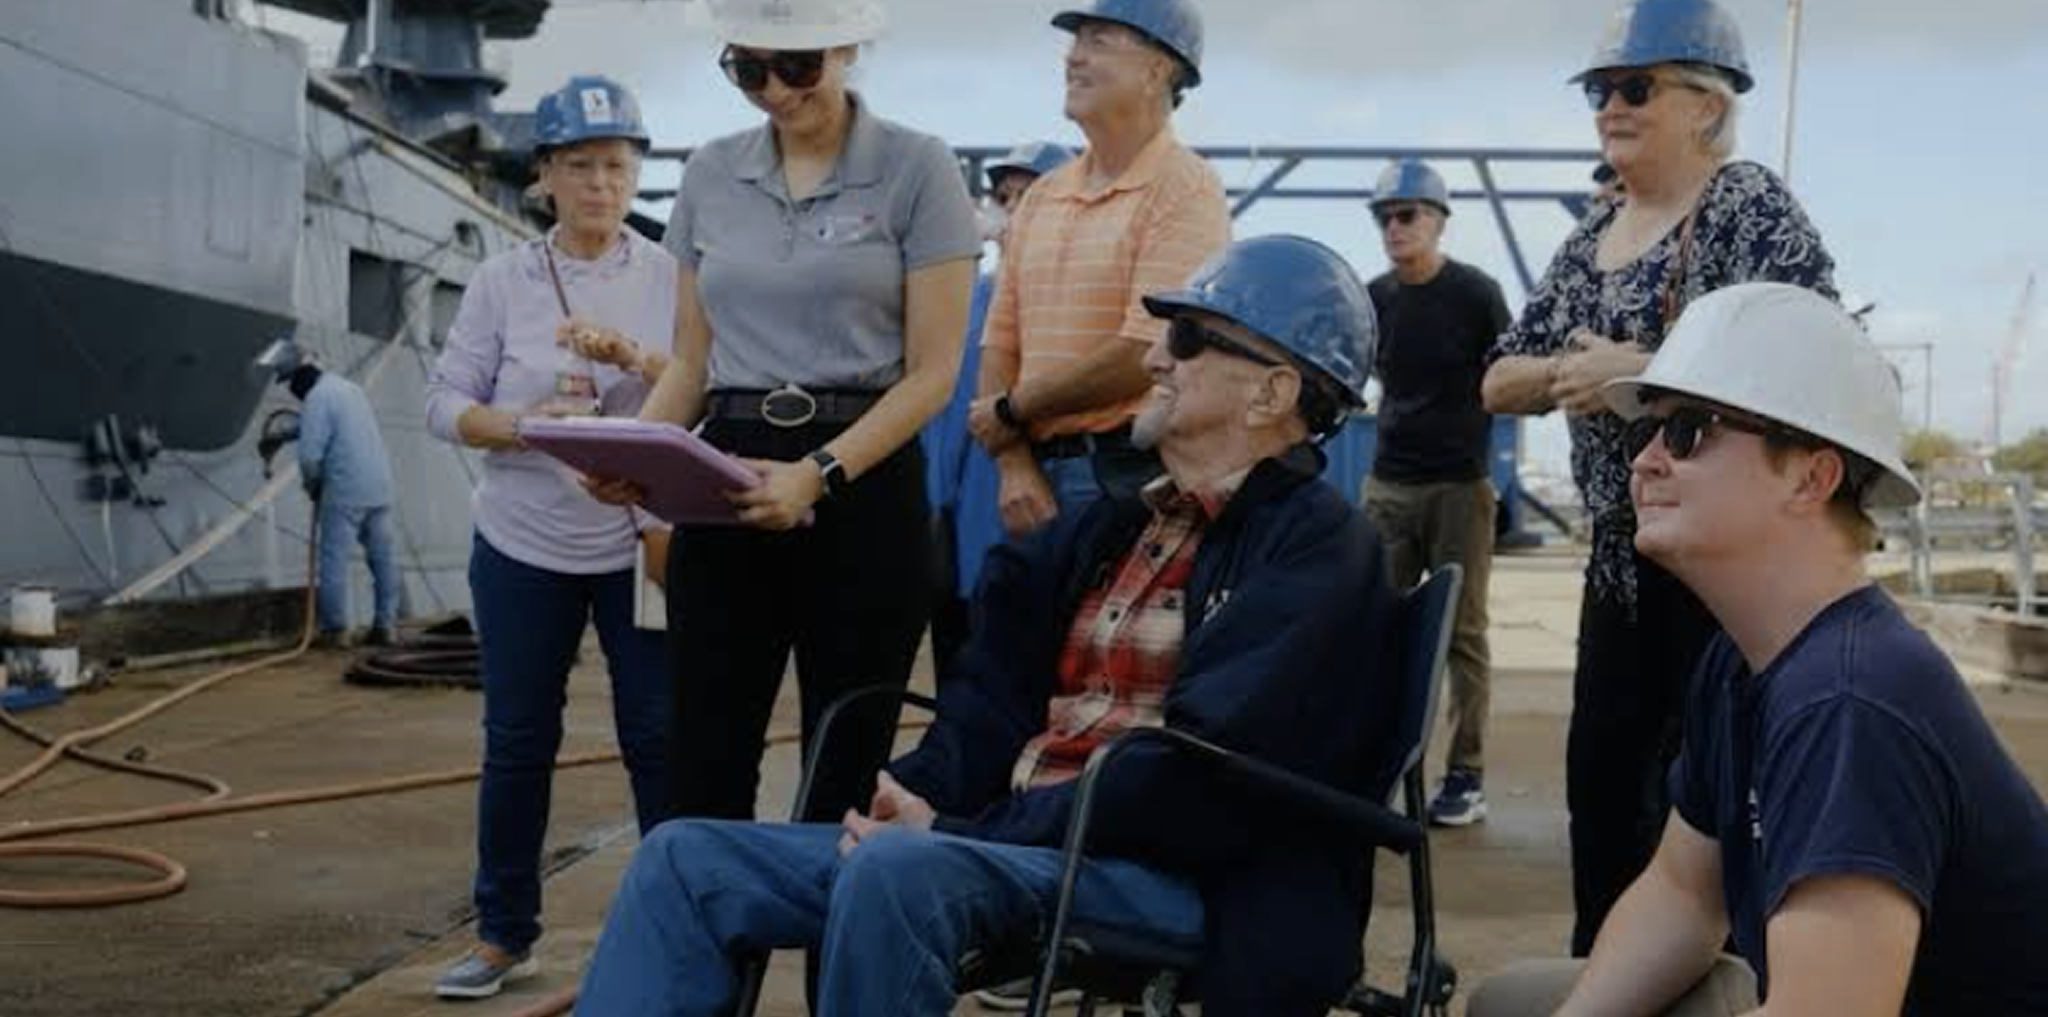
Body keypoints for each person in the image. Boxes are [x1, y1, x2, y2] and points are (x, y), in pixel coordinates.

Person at [575, 235, 1397, 1017]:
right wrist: (918, 792)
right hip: (1012, 845)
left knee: (898, 870)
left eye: (1185, 338)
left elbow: (1194, 786)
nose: (1153, 357)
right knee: (681, 858)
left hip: (1176, 873)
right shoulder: (1111, 530)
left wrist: (960, 831)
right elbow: (991, 694)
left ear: (1273, 392)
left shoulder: (1320, 551)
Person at [1469, 282, 2048, 1016]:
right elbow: (1682, 896)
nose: (1645, 460)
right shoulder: (1740, 659)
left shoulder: (1850, 701)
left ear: (1811, 476)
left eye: (1688, 431)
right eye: (1640, 434)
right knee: (1512, 1002)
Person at [1479, 0, 1838, 954]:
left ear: (1708, 110)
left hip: (1727, 581)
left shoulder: (1745, 205)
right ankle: (1606, 974)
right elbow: (1499, 374)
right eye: (1600, 90)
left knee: (1725, 807)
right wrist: (1571, 373)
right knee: (1602, 800)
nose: (1609, 107)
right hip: (1622, 570)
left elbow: (1804, 352)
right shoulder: (1591, 233)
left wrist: (1634, 368)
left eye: (1635, 88)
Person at [615, 0, 979, 828]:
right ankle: (705, 960)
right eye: (749, 69)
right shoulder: (710, 173)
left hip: (864, 477)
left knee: (843, 769)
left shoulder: (918, 168)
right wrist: (641, 452)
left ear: (847, 48)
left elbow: (932, 373)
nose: (775, 91)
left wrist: (818, 474)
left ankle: (838, 959)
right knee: (701, 763)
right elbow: (693, 363)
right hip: (729, 472)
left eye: (798, 67)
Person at [422, 75, 675, 999]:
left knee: (656, 733)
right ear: (545, 177)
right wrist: (525, 425)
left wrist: (632, 358)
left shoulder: (666, 275)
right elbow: (443, 403)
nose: (602, 184)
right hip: (523, 540)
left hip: (636, 542)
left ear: (635, 172)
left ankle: (673, 924)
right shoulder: (502, 280)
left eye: (617, 165)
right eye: (581, 166)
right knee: (519, 737)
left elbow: (696, 382)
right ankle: (502, 933)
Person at [968, 0, 1229, 534]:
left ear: (1160, 69)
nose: (1073, 58)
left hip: (1130, 478)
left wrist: (1011, 411)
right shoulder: (1043, 196)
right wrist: (1013, 464)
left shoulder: (1187, 188)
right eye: (1075, 42)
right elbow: (1000, 341)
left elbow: (1145, 353)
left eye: (1099, 41)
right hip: (1030, 479)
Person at [1360, 158, 1512, 827]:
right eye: (1384, 216)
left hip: (1458, 485)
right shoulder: (1374, 297)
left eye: (1406, 214)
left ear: (1438, 220)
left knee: (1463, 633)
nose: (1394, 227)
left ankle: (1466, 774)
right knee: (1377, 627)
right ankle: (1380, 768)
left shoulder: (1476, 294)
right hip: (1389, 482)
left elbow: (1507, 373)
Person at [925, 140, 1075, 679]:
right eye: (1006, 196)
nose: (1014, 209)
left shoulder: (1078, 303)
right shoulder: (968, 297)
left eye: (1030, 194)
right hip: (960, 544)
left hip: (1041, 529)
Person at [275, 349, 401, 650]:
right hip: (379, 487)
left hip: (346, 491)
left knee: (333, 560)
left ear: (300, 377)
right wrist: (284, 435)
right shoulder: (349, 389)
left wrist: (312, 486)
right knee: (383, 559)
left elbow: (309, 458)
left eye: (290, 382)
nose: (292, 390)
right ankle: (386, 626)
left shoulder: (317, 398)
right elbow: (332, 424)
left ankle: (335, 631)